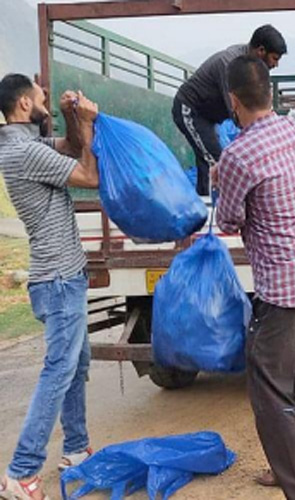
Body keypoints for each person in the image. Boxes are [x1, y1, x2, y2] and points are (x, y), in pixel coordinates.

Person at [214, 56, 295, 500]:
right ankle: (289, 470)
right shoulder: (293, 131)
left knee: (266, 389)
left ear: (233, 101)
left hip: (284, 290)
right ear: (270, 92)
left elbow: (227, 219)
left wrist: (220, 180)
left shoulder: (238, 154)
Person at [0, 74, 99, 500]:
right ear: (24, 104)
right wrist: (90, 124)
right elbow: (88, 174)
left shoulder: (26, 145)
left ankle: (76, 448)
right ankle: (21, 473)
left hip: (62, 276)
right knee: (59, 369)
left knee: (76, 364)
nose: (44, 99)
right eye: (41, 98)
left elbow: (71, 148)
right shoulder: (24, 152)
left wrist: (68, 116)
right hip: (57, 280)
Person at [173, 24, 286, 196]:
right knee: (217, 162)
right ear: (261, 50)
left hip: (209, 117)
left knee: (209, 158)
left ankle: (204, 202)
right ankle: (215, 209)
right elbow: (239, 112)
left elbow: (258, 106)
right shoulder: (230, 65)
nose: (276, 65)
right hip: (191, 109)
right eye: (274, 58)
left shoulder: (253, 66)